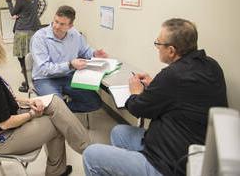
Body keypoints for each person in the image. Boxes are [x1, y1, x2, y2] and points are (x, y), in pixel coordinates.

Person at [83, 18, 228, 176]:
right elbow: (179, 96)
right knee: (118, 132)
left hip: (168, 164)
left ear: (171, 50)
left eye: (158, 43)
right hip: (187, 146)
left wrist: (136, 91)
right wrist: (156, 85)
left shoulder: (172, 75)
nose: (157, 47)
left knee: (91, 154)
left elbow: (137, 108)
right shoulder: (211, 65)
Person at [0, 26, 91, 176]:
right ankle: (84, 153)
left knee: (55, 102)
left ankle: (85, 150)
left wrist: (30, 102)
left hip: (3, 129)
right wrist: (32, 114)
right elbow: (5, 123)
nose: (3, 44)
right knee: (57, 123)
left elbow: (3, 98)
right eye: (0, 42)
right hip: (0, 140)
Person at [30, 5, 107, 113]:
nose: (56, 26)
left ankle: (59, 110)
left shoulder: (74, 34)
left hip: (67, 76)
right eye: (55, 21)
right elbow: (45, 69)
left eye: (62, 24)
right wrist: (70, 65)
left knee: (95, 102)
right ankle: (57, 111)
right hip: (45, 79)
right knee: (58, 108)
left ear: (70, 25)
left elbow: (84, 50)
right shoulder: (40, 37)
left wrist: (94, 53)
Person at [5, 0, 41, 93]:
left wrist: (8, 0)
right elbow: (38, 6)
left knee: (23, 59)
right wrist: (27, 14)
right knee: (34, 57)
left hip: (23, 32)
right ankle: (32, 80)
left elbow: (12, 13)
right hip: (35, 30)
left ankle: (28, 85)